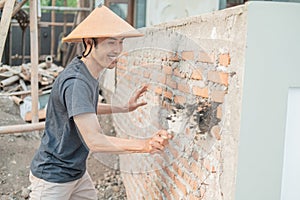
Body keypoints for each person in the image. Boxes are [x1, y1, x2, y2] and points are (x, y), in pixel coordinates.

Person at [29, 5, 172, 200]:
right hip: (53, 178)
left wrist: (122, 108)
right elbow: (95, 141)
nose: (118, 50)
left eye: (120, 42)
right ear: (89, 42)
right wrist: (144, 145)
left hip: (76, 172)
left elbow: (83, 107)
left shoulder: (86, 71)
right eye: (111, 42)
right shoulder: (77, 82)